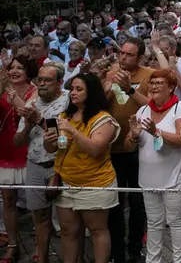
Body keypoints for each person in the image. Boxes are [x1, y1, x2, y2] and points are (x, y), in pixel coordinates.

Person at [42, 73, 120, 263]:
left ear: (91, 92)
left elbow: (95, 149)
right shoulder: (65, 116)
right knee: (68, 232)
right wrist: (48, 141)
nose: (73, 93)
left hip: (95, 184)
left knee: (97, 230)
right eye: (72, 89)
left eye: (79, 89)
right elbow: (55, 148)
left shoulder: (104, 119)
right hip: (66, 183)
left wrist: (72, 131)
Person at [124, 68, 181, 263]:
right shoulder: (143, 110)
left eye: (159, 83)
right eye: (152, 83)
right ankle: (152, 261)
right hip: (149, 177)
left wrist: (157, 132)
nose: (154, 86)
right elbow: (128, 145)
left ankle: (179, 261)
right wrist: (134, 136)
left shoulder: (180, 108)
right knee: (154, 223)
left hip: (175, 175)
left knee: (176, 222)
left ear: (171, 87)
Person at [14, 63, 68, 263]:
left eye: (47, 80)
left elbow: (63, 137)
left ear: (60, 83)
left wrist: (38, 120)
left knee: (67, 222)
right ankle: (42, 257)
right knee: (40, 218)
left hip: (60, 166)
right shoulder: (32, 103)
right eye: (39, 79)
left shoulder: (68, 100)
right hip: (35, 166)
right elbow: (17, 142)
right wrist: (27, 126)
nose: (42, 84)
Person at [105, 36, 152, 263]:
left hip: (137, 148)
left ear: (140, 57)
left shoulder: (149, 74)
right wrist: (107, 84)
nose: (123, 57)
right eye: (121, 53)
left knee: (136, 203)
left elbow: (153, 106)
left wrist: (129, 89)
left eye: (129, 54)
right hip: (111, 148)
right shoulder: (110, 73)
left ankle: (135, 246)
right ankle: (116, 250)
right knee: (115, 202)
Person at [0, 54, 38, 263]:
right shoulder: (2, 90)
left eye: (20, 68)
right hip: (5, 150)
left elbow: (26, 111)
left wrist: (9, 91)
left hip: (29, 150)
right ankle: (13, 245)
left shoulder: (35, 91)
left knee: (35, 202)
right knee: (8, 201)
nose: (14, 71)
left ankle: (40, 245)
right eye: (11, 67)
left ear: (28, 71)